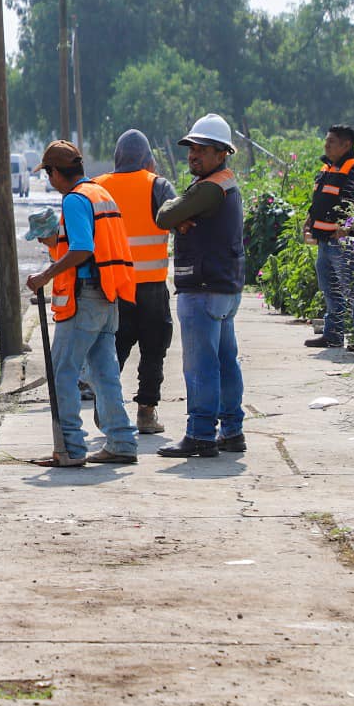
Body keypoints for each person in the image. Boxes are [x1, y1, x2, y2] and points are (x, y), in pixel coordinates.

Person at [24, 140, 140, 467]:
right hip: (108, 296)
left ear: (57, 172)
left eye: (49, 173)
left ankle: (71, 449)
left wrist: (46, 275)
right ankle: (121, 441)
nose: (49, 180)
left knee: (63, 372)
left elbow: (81, 249)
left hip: (84, 297)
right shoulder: (101, 194)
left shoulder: (75, 200)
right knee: (104, 374)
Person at [154, 113, 245, 458]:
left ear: (222, 153)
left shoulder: (209, 188)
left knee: (200, 365)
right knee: (224, 361)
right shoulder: (225, 184)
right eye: (191, 148)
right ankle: (232, 431)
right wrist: (180, 216)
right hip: (224, 287)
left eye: (202, 149)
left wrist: (178, 216)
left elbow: (163, 216)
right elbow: (173, 215)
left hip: (204, 288)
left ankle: (201, 434)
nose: (193, 155)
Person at [93, 129, 177, 434]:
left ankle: (107, 408)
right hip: (152, 287)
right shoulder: (157, 185)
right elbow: (180, 217)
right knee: (154, 350)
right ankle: (146, 413)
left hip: (114, 287)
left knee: (113, 348)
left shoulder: (98, 187)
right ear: (148, 160)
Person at [302, 124, 354, 349]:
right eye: (327, 139)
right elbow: (320, 199)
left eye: (331, 141)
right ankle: (333, 335)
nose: (326, 144)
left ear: (346, 144)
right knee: (330, 289)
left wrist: (347, 227)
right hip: (325, 241)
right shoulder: (328, 167)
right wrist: (309, 220)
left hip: (344, 243)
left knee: (353, 290)